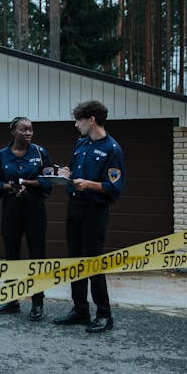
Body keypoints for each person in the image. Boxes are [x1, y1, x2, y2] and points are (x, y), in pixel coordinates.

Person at [53, 100, 125, 334]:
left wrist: (90, 184)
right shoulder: (81, 144)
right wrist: (66, 173)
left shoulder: (112, 149)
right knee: (75, 260)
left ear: (91, 120)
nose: (76, 125)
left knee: (93, 262)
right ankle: (80, 310)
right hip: (74, 207)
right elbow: (75, 173)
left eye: (78, 120)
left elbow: (114, 188)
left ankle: (104, 315)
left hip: (95, 211)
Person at [0, 116, 54, 321]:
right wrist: (13, 187)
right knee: (11, 253)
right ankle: (11, 301)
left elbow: (47, 181)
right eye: (24, 129)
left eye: (31, 130)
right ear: (13, 132)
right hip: (11, 207)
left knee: (37, 254)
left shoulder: (40, 153)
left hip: (34, 207)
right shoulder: (1, 155)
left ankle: (37, 303)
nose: (28, 133)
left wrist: (26, 183)